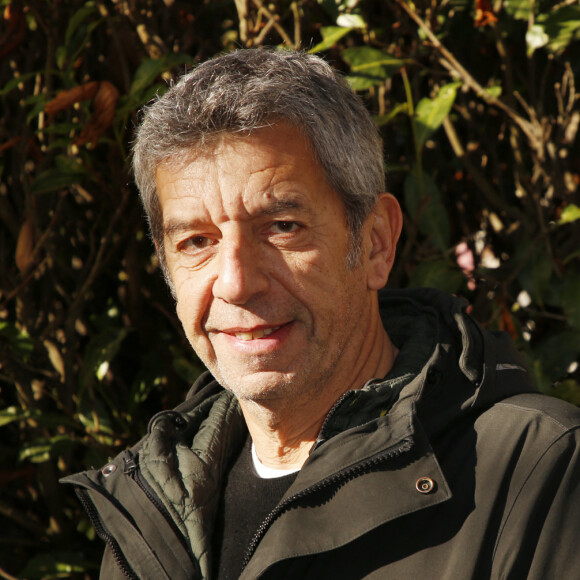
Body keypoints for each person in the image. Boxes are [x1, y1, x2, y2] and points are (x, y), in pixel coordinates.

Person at [62, 48, 580, 580]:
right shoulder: (150, 513)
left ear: (376, 242)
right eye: (196, 241)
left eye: (282, 226)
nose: (237, 282)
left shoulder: (537, 472)